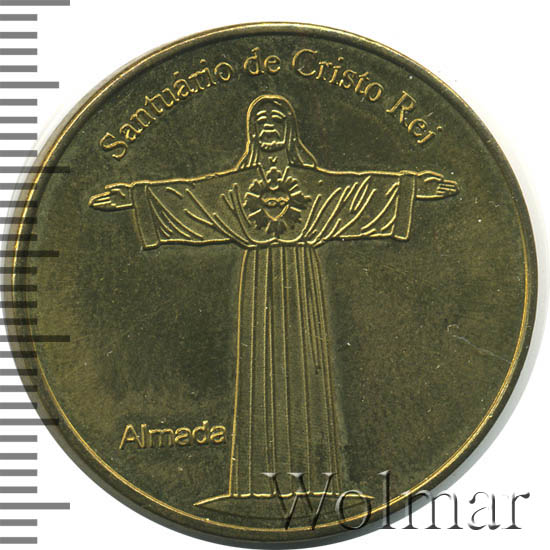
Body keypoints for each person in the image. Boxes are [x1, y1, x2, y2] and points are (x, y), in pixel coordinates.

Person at [90, 94, 458, 505]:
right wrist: (137, 197)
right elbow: (192, 198)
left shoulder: (313, 184)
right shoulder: (234, 188)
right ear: (252, 132)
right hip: (259, 280)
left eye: (277, 117)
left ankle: (319, 478)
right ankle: (258, 484)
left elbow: (357, 192)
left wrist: (412, 188)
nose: (268, 124)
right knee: (261, 369)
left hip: (302, 278)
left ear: (290, 130)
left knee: (307, 366)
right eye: (260, 118)